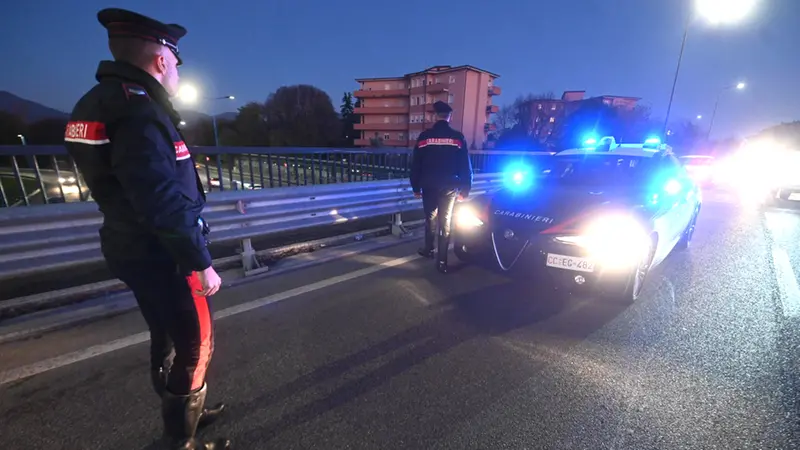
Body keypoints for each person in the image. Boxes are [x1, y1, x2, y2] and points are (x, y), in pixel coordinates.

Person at [63, 8, 230, 449]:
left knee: (165, 331)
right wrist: (200, 261)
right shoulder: (139, 112)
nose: (177, 72)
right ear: (160, 60)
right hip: (165, 253)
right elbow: (160, 200)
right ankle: (180, 439)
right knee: (197, 343)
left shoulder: (95, 102)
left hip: (129, 245)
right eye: (175, 63)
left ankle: (188, 411)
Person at [410, 101, 473, 273]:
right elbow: (465, 165)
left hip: (428, 184)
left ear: (435, 116)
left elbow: (416, 164)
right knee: (445, 221)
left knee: (430, 217)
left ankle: (428, 249)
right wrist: (466, 188)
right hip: (449, 185)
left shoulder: (424, 137)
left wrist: (415, 187)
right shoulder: (458, 137)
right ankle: (442, 262)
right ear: (449, 117)